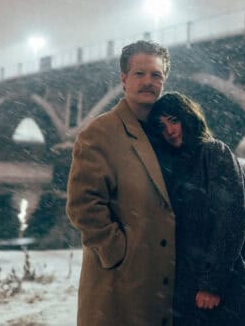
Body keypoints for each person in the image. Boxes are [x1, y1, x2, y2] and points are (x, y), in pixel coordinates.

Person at [66, 40, 175, 326]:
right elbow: (83, 206)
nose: (148, 82)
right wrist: (118, 252)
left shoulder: (170, 134)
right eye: (139, 73)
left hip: (165, 284)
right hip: (119, 283)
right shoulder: (100, 133)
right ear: (123, 79)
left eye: (156, 75)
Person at [148, 92, 245, 326]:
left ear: (187, 118)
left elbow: (231, 219)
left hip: (223, 290)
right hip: (186, 294)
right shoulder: (172, 168)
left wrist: (212, 283)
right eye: (162, 126)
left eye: (174, 120)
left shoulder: (214, 153)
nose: (169, 131)